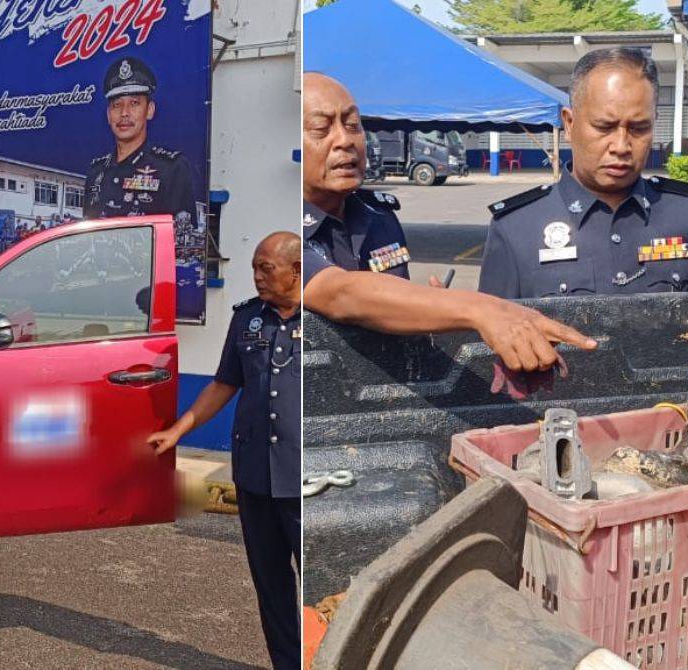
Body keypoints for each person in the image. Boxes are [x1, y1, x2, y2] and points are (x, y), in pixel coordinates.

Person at [302, 72, 598, 372]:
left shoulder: (378, 217)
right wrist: (478, 309)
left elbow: (384, 308)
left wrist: (434, 306)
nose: (345, 140)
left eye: (353, 126)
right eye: (320, 128)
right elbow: (341, 293)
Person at [147, 232, 301, 670]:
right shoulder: (248, 319)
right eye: (255, 267)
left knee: (320, 583)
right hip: (255, 476)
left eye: (266, 268)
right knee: (271, 587)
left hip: (306, 479)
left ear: (297, 270)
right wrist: (179, 429)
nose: (257, 277)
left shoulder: (328, 319)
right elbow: (223, 384)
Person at [478, 48, 688, 299]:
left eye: (639, 128)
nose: (621, 146)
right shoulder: (516, 227)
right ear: (570, 124)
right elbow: (492, 332)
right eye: (604, 127)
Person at [84, 56, 197, 240]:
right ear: (108, 114)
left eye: (134, 103)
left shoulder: (171, 168)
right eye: (116, 105)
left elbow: (181, 241)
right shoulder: (96, 171)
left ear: (150, 110)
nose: (124, 113)